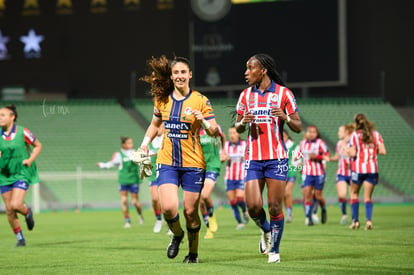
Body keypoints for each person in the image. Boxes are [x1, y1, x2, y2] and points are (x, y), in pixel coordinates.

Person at [135, 55, 219, 264]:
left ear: (190, 74)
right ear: (171, 77)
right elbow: (155, 125)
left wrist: (204, 122)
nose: (179, 76)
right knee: (168, 208)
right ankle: (177, 234)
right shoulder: (162, 99)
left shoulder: (200, 100)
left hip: (193, 164)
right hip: (167, 162)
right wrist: (145, 143)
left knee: (190, 212)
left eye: (183, 72)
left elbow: (215, 130)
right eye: (176, 73)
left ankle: (193, 253)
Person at [235, 53, 302, 263]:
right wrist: (242, 123)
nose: (246, 73)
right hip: (253, 158)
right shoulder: (245, 95)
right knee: (253, 207)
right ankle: (265, 231)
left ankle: (274, 249)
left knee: (274, 207)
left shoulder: (284, 94)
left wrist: (285, 117)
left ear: (263, 70)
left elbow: (298, 127)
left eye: (250, 68)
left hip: (277, 159)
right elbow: (237, 127)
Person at [0, 104, 41, 247]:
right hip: (4, 175)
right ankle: (20, 239)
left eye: (3, 115)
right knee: (9, 210)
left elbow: (38, 145)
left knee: (16, 204)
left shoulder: (23, 132)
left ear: (12, 117)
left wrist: (30, 160)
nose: (0, 118)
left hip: (21, 172)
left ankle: (27, 212)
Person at [347, 113, 386, 230]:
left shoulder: (354, 135)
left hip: (358, 169)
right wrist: (372, 150)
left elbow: (353, 153)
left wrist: (347, 150)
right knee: (367, 197)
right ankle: (369, 221)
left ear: (356, 123)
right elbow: (383, 151)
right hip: (372, 169)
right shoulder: (376, 135)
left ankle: (356, 221)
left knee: (354, 194)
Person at [97, 136, 143, 228]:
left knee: (134, 202)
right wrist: (102, 165)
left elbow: (141, 161)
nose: (131, 145)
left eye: (131, 143)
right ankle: (127, 221)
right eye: (129, 143)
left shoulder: (135, 153)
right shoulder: (118, 155)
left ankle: (140, 214)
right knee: (124, 201)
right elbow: (111, 164)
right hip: (123, 181)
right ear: (123, 145)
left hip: (134, 180)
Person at [199, 124, 226, 239]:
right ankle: (209, 227)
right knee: (200, 201)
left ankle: (212, 217)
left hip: (213, 165)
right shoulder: (193, 129)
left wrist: (222, 151)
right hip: (199, 166)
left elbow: (222, 136)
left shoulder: (214, 127)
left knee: (205, 195)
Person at [299, 125, 329, 226]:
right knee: (307, 194)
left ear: (316, 134)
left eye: (313, 132)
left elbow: (327, 156)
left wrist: (317, 157)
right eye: (309, 132)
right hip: (308, 173)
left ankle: (323, 208)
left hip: (319, 173)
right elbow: (300, 156)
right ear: (306, 133)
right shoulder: (302, 144)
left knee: (318, 196)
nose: (311, 134)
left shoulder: (320, 143)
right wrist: (300, 163)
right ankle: (309, 217)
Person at [222, 125, 249, 230]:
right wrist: (224, 158)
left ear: (238, 134)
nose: (232, 135)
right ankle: (240, 222)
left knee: (239, 198)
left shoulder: (244, 145)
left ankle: (244, 210)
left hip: (241, 176)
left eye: (234, 133)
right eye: (230, 133)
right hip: (229, 177)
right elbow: (221, 158)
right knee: (232, 201)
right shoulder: (225, 146)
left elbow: (249, 158)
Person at [329, 124, 354, 224]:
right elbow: (337, 157)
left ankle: (354, 217)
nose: (338, 133)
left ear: (347, 132)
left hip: (353, 173)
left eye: (340, 131)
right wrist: (329, 158)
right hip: (341, 173)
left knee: (352, 196)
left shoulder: (353, 142)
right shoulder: (339, 144)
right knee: (342, 195)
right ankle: (344, 214)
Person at [147, 127, 164, 233]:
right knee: (154, 199)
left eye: (161, 126)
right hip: (154, 175)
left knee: (166, 201)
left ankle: (171, 224)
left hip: (165, 174)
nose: (158, 129)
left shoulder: (167, 139)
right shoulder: (150, 142)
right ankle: (158, 219)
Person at [282, 129, 300, 223]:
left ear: (287, 136)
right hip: (281, 171)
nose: (283, 137)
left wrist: (298, 164)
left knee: (288, 192)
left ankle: (289, 214)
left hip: (291, 171)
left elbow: (297, 158)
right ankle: (288, 210)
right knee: (283, 194)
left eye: (284, 136)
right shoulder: (277, 144)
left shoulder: (293, 145)